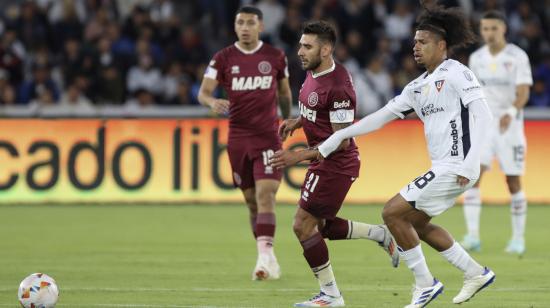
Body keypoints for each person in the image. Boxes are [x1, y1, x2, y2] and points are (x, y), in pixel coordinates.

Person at [317, 6, 496, 307]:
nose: (415, 46)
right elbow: (380, 117)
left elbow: (484, 116)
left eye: (423, 41)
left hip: (457, 165)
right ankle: (475, 272)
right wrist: (341, 134)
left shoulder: (456, 72)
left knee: (391, 213)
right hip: (444, 166)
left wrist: (470, 161)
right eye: (414, 41)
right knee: (417, 225)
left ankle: (425, 283)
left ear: (441, 45)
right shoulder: (416, 87)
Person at [269, 21, 399, 307]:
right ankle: (380, 234)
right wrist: (298, 121)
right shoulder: (314, 71)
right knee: (322, 227)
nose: (300, 51)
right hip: (324, 160)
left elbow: (341, 139)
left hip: (336, 163)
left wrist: (299, 155)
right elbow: (317, 110)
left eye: (307, 46)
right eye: (301, 45)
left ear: (326, 49)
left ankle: (331, 295)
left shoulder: (339, 85)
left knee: (303, 226)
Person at [197, 6, 292, 280]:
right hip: (238, 139)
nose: (245, 27)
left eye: (251, 23)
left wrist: (286, 120)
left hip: (267, 137)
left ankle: (262, 259)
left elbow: (285, 93)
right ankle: (268, 255)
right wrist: (212, 101)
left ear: (260, 26)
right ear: (235, 27)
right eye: (241, 23)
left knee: (265, 196)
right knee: (251, 202)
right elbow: (203, 93)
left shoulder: (275, 57)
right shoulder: (223, 58)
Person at [462, 10, 533, 255]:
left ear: (503, 29)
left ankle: (518, 239)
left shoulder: (517, 56)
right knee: (473, 177)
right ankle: (472, 236)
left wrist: (511, 113)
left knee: (512, 181)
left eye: (493, 28)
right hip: (484, 126)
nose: (489, 33)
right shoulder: (476, 58)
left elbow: (523, 93)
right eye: (485, 29)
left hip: (510, 127)